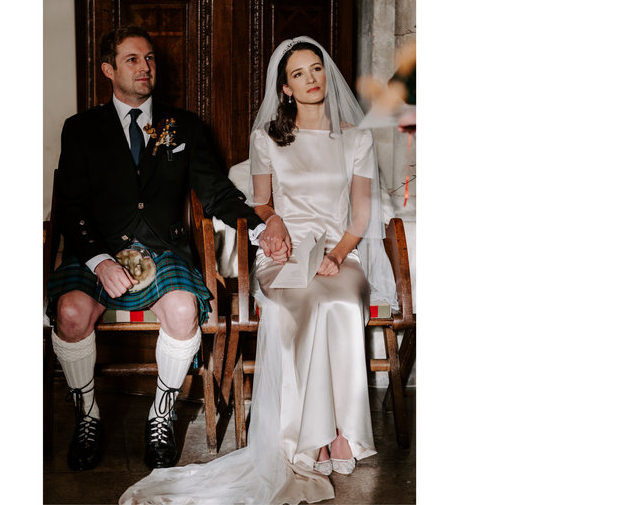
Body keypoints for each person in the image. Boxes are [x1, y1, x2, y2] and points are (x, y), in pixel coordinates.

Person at [120, 36, 396, 504]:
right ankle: (308, 437)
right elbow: (262, 202)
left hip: (339, 252)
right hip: (283, 254)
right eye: (298, 74)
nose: (311, 80)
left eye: (316, 69)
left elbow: (362, 216)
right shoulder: (267, 138)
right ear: (285, 88)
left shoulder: (358, 138)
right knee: (306, 303)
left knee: (341, 301)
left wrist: (338, 253)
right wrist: (274, 224)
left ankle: (341, 433)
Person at [46, 25, 264, 472]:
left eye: (149, 59)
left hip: (164, 251)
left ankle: (160, 414)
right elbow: (68, 205)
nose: (145, 68)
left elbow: (218, 193)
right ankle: (87, 415)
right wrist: (99, 259)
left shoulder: (181, 126)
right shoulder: (81, 129)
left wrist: (260, 230)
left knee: (185, 310)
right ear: (109, 69)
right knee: (69, 312)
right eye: (132, 60)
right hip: (98, 251)